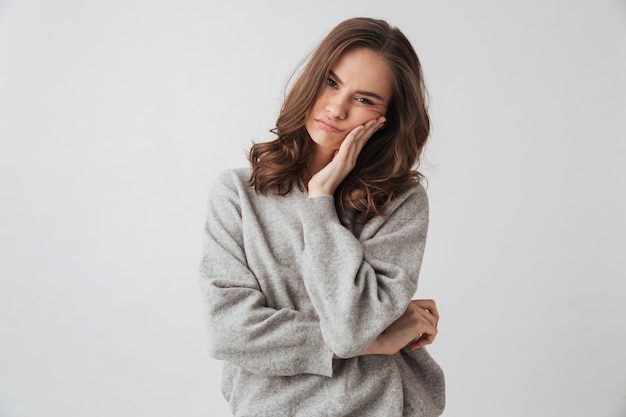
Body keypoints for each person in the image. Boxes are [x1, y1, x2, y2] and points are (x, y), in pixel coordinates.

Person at [199, 17, 445, 417]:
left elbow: (350, 327)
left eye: (364, 99)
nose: (337, 107)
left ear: (388, 119)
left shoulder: (400, 201)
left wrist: (320, 201)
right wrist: (375, 340)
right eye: (332, 82)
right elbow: (229, 333)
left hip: (377, 405)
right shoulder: (238, 194)